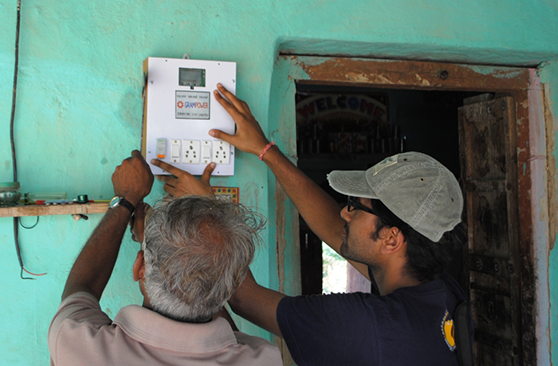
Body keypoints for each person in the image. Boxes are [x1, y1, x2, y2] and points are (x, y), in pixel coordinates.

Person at [152, 84, 472, 366]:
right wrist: (266, 151)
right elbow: (333, 229)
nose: (344, 214)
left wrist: (207, 209)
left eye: (356, 208)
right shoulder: (438, 292)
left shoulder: (363, 325)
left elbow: (243, 298)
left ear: (391, 239)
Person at [48, 150, 282, 366]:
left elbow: (81, 288)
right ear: (228, 288)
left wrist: (127, 199)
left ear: (139, 267)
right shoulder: (264, 359)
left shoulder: (76, 345)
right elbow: (229, 343)